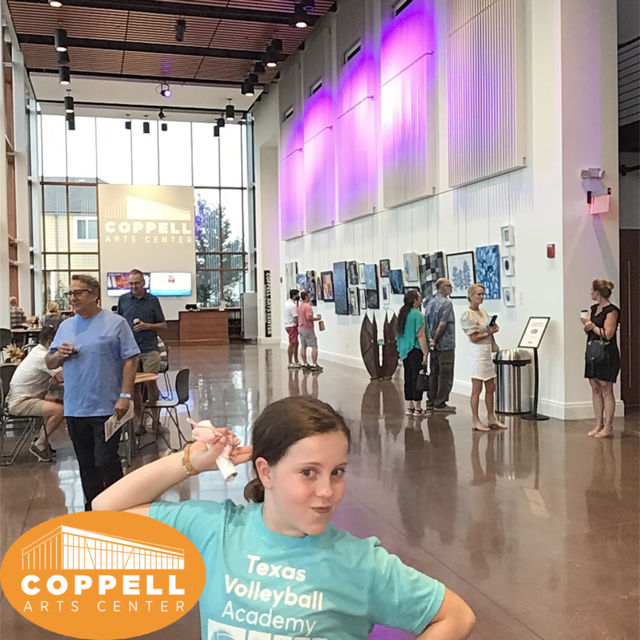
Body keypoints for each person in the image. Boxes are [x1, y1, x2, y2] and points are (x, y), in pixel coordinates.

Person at [93, 396, 475, 639]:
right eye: (308, 472)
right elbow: (106, 512)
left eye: (337, 472)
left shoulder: (361, 564)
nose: (327, 490)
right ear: (266, 472)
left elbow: (455, 616)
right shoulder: (217, 532)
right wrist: (191, 462)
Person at [45, 274, 140, 511]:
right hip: (75, 408)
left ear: (94, 294)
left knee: (106, 459)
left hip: (107, 406)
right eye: (70, 294)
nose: (73, 298)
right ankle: (93, 509)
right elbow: (50, 361)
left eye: (78, 293)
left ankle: (118, 506)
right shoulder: (66, 326)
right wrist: (59, 355)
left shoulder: (116, 323)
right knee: (86, 464)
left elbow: (130, 359)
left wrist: (125, 395)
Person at [6, 324, 65, 462]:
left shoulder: (37, 351)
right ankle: (39, 444)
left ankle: (41, 440)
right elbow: (63, 377)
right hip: (21, 402)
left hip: (23, 397)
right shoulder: (43, 356)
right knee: (61, 410)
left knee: (58, 403)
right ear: (50, 342)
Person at [117, 269, 167, 420]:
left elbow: (163, 325)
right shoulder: (123, 300)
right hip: (130, 351)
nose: (134, 286)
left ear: (144, 283)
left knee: (151, 383)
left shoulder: (152, 301)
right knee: (134, 386)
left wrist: (147, 326)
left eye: (137, 283)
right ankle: (139, 421)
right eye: (131, 283)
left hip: (149, 349)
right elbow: (119, 323)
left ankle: (155, 418)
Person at [459, 284, 506, 431]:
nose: (481, 297)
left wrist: (493, 328)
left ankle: (491, 417)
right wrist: (489, 332)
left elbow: (487, 328)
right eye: (478, 294)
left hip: (486, 351)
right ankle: (476, 419)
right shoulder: (467, 315)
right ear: (470, 296)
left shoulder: (483, 312)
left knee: (491, 386)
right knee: (477, 388)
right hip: (477, 352)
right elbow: (474, 337)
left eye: (483, 294)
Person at [581, 278, 620, 438]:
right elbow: (590, 332)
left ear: (598, 292)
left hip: (607, 354)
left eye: (592, 289)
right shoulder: (593, 308)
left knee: (606, 389)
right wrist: (587, 327)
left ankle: (608, 426)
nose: (590, 292)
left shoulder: (612, 311)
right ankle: (598, 423)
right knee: (595, 388)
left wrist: (593, 326)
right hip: (592, 352)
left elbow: (608, 334)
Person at [424, 278, 456, 413]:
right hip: (445, 344)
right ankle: (440, 403)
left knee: (434, 372)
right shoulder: (446, 303)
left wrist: (431, 340)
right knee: (445, 374)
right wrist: (436, 340)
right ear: (442, 287)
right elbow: (442, 324)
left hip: (433, 344)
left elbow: (426, 323)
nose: (451, 287)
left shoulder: (430, 302)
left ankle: (431, 401)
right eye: (449, 285)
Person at [396, 290, 429, 416]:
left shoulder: (403, 314)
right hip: (415, 349)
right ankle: (418, 408)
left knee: (408, 377)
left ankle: (409, 407)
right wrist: (425, 352)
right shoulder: (417, 314)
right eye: (419, 298)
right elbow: (421, 335)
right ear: (414, 300)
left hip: (405, 350)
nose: (421, 300)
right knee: (417, 377)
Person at [296, 290, 323, 372]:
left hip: (301, 328)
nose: (310, 297)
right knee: (314, 346)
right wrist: (318, 318)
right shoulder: (308, 306)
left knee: (303, 346)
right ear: (306, 297)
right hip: (308, 329)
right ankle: (314, 364)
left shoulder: (300, 306)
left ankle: (305, 363)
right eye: (309, 295)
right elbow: (309, 317)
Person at [284, 288, 301, 369]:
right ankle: (290, 362)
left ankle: (296, 360)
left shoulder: (287, 303)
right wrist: (299, 327)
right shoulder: (292, 306)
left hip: (287, 325)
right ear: (294, 296)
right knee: (292, 343)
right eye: (297, 295)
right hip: (292, 326)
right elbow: (295, 318)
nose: (298, 297)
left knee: (296, 343)